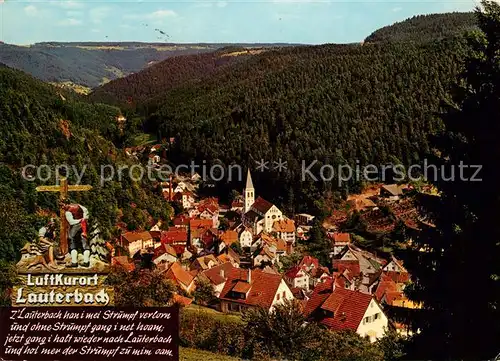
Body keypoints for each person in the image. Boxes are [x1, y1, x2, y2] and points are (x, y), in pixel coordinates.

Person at [62, 202, 90, 268]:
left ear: (66, 204)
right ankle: (86, 261)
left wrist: (79, 221)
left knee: (72, 242)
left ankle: (74, 262)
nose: (62, 207)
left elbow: (71, 222)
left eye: (63, 206)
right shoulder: (79, 205)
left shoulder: (68, 212)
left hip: (75, 227)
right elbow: (86, 211)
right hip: (84, 226)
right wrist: (84, 219)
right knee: (85, 242)